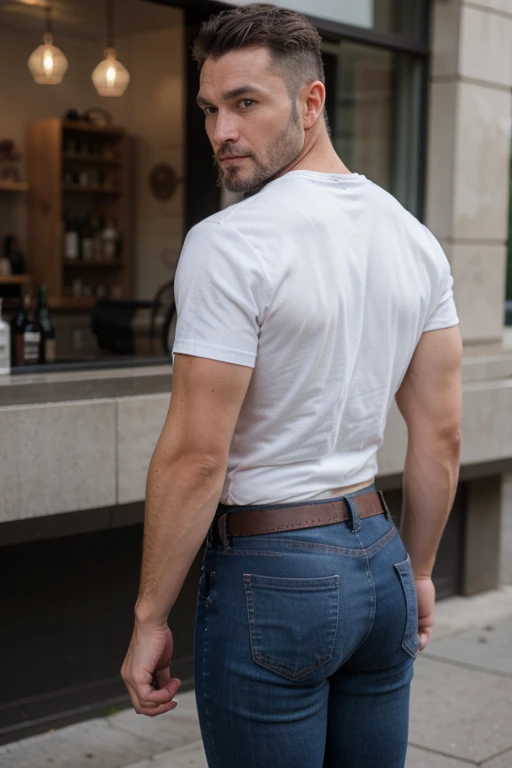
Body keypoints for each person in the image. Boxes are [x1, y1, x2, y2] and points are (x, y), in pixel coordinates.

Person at [121, 4, 462, 766]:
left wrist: (150, 615)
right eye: (211, 109)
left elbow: (196, 457)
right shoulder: (414, 240)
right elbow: (440, 437)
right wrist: (424, 572)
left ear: (311, 103)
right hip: (381, 560)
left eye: (246, 103)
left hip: (274, 575)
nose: (221, 133)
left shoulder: (228, 242)